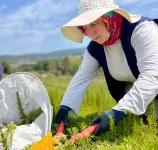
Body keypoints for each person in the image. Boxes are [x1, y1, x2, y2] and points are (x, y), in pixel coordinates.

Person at [55, 0, 158, 136]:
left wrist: (118, 111)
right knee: (144, 124)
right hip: (140, 93)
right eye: (85, 28)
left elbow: (152, 75)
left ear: (108, 18)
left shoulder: (141, 30)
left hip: (153, 84)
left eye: (94, 24)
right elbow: (81, 77)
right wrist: (65, 107)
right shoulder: (96, 47)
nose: (91, 33)